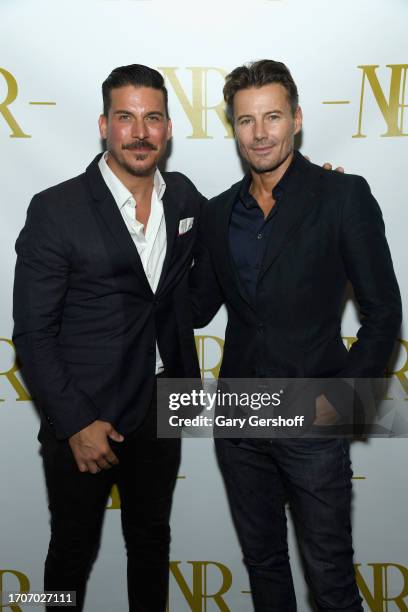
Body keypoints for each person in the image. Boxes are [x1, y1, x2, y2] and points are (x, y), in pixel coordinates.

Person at [190, 60, 402, 611]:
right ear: (233, 128)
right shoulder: (217, 215)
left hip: (311, 415)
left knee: (330, 576)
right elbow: (194, 307)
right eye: (245, 121)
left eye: (272, 117)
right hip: (238, 418)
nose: (259, 133)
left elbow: (383, 311)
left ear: (297, 120)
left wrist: (341, 403)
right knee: (264, 570)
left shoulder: (341, 195)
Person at [12, 64, 204, 612]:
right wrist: (75, 422)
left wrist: (308, 188)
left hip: (161, 408)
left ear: (167, 128)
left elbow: (216, 264)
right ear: (104, 125)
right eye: (126, 117)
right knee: (70, 553)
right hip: (85, 416)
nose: (139, 132)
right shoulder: (57, 209)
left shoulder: (185, 200)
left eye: (152, 118)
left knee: (151, 542)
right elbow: (33, 330)